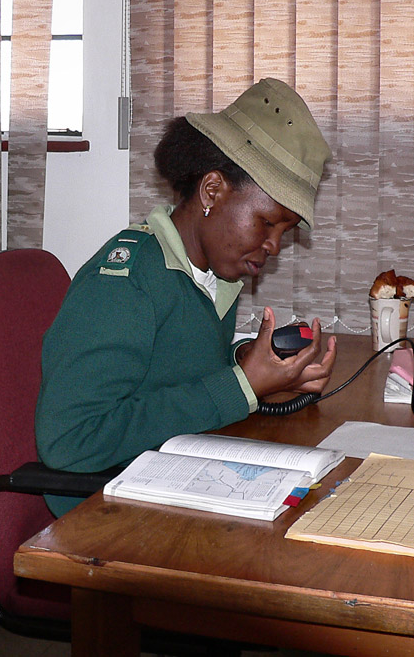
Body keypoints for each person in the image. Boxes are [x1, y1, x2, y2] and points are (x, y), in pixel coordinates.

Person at [36, 77, 338, 515]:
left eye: (286, 231)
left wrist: (255, 369)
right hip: (103, 509)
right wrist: (240, 388)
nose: (274, 245)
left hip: (170, 480)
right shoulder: (125, 285)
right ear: (212, 191)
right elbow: (69, 441)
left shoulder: (214, 276)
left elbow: (168, 373)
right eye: (267, 222)